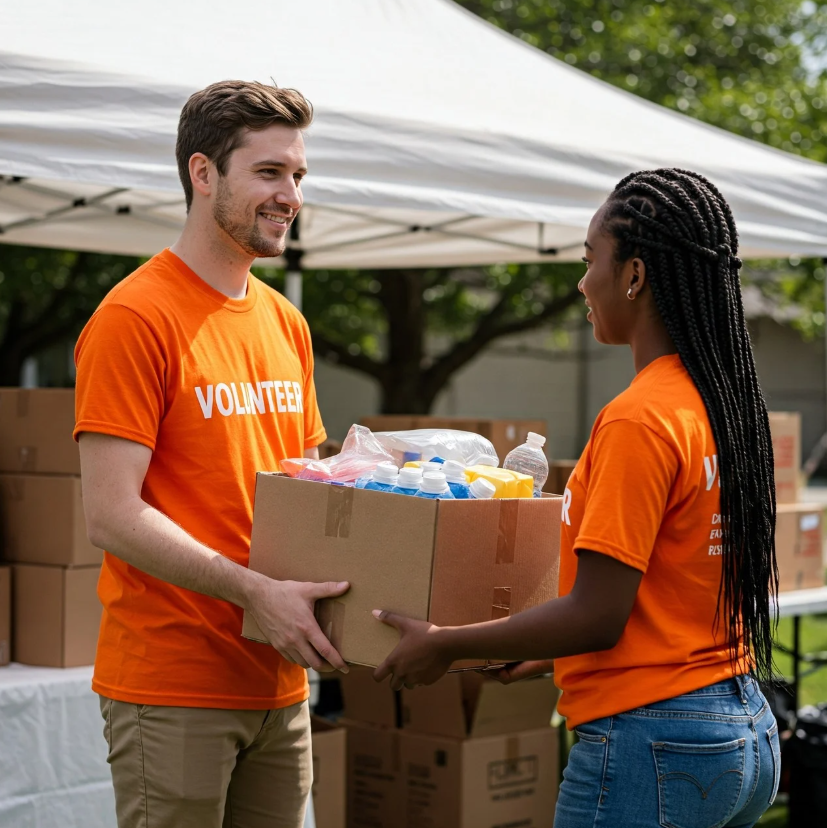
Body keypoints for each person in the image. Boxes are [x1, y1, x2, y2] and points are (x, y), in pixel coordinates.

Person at [372, 169, 781, 827]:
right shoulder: (727, 405)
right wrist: (544, 646)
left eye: (590, 260)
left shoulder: (638, 418)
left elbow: (597, 615)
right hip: (740, 731)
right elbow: (669, 591)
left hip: (654, 739)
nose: (581, 283)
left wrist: (445, 643)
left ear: (634, 275)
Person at [74, 81, 350, 828]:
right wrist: (252, 591)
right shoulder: (135, 316)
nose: (289, 194)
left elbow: (308, 485)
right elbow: (111, 514)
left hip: (280, 677)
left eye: (296, 175)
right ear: (203, 174)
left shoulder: (286, 322)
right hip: (173, 683)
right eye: (268, 172)